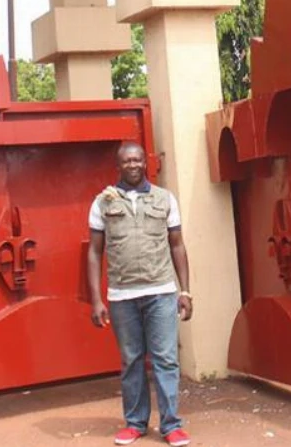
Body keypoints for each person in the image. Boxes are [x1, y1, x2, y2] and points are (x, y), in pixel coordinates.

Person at [87, 141, 193, 446]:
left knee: (166, 359)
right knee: (132, 360)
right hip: (122, 296)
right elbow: (95, 253)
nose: (132, 165)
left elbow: (177, 245)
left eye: (137, 160)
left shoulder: (165, 199)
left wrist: (185, 291)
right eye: (126, 161)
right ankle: (135, 423)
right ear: (117, 165)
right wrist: (96, 299)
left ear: (145, 163)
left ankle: (171, 425)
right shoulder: (102, 203)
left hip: (161, 292)